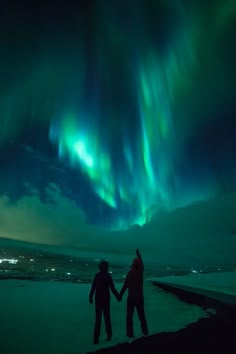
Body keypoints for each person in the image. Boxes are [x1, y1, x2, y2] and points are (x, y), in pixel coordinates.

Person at [119, 249, 148, 338]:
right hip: (139, 297)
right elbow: (142, 265)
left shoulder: (130, 273)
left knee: (129, 317)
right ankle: (145, 332)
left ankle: (130, 335)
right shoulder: (140, 273)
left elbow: (125, 285)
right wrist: (139, 255)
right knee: (141, 316)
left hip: (131, 298)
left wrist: (120, 295)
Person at [89, 260, 120, 344]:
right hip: (105, 300)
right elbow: (112, 288)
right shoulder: (107, 276)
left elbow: (93, 287)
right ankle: (109, 336)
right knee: (107, 318)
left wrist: (90, 296)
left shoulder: (97, 276)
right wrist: (118, 296)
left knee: (98, 319)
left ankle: (96, 339)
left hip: (99, 300)